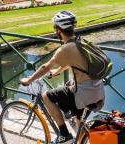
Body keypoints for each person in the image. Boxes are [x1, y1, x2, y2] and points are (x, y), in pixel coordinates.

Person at [20, 11, 105, 144]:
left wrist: (29, 80)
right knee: (79, 121)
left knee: (46, 96)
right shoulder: (81, 42)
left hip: (83, 94)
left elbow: (45, 67)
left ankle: (64, 135)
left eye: (55, 28)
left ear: (58, 30)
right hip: (98, 91)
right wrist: (58, 71)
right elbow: (74, 62)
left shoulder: (65, 48)